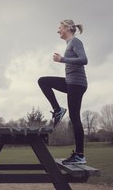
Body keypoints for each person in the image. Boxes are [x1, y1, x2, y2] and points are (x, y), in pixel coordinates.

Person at [38, 20, 88, 165]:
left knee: (75, 118)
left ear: (67, 28)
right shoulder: (69, 44)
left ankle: (80, 155)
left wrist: (62, 59)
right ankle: (58, 109)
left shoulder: (75, 41)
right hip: (71, 82)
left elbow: (84, 60)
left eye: (59, 28)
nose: (58, 30)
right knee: (43, 81)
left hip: (77, 84)